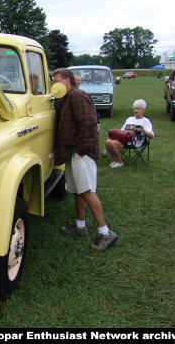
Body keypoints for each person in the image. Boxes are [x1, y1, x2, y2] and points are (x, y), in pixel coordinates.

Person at [52, 68, 118, 250]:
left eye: (56, 80)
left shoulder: (78, 96)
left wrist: (81, 150)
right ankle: (80, 226)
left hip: (82, 151)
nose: (54, 84)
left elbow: (89, 123)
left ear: (67, 80)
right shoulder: (66, 98)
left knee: (87, 190)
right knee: (78, 190)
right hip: (72, 151)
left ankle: (105, 233)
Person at [105, 99, 154, 168]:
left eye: (138, 109)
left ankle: (120, 162)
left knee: (112, 143)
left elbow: (151, 136)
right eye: (135, 109)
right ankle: (115, 160)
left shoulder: (146, 121)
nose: (136, 110)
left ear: (143, 110)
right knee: (107, 141)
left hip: (136, 141)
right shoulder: (130, 119)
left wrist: (143, 131)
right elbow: (122, 130)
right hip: (125, 139)